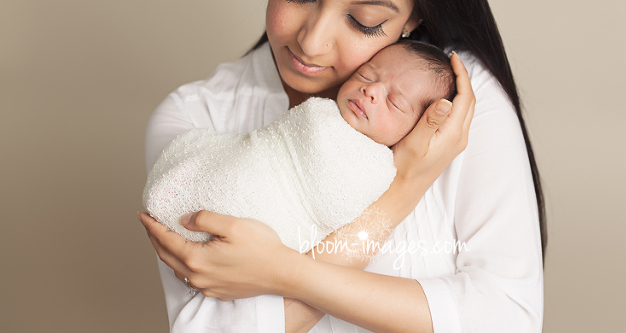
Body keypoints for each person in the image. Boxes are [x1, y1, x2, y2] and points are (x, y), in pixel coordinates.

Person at [139, 0, 545, 333]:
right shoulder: (196, 120)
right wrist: (405, 187)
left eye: (363, 20)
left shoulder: (455, 104)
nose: (312, 41)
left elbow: (508, 318)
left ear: (415, 14)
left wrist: (280, 271)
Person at [143, 41, 456, 253]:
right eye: (366, 74)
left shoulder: (379, 171)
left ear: (419, 128)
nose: (370, 90)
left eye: (394, 101)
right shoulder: (322, 110)